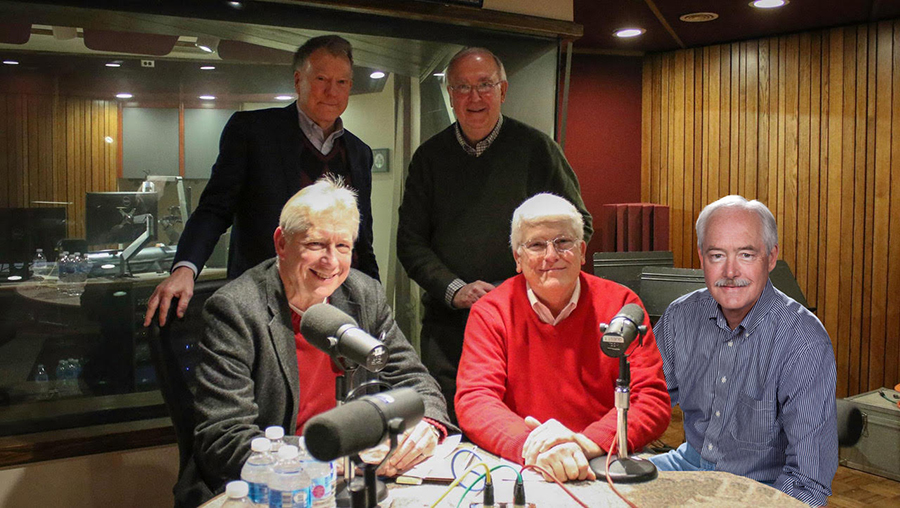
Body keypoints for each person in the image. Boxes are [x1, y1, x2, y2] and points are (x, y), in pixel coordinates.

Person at [185, 176, 452, 504]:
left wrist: (425, 425)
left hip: (354, 479)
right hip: (273, 485)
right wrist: (330, 452)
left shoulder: (363, 294)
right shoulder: (236, 309)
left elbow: (416, 382)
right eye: (315, 245)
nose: (332, 262)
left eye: (342, 247)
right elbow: (225, 436)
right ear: (281, 243)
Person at [397, 47, 592, 423]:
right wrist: (456, 289)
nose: (474, 97)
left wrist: (513, 288)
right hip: (449, 330)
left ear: (503, 90)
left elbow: (578, 225)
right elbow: (410, 243)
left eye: (484, 85)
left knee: (518, 427)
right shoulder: (429, 158)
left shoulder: (537, 150)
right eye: (463, 87)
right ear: (450, 95)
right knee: (450, 427)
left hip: (524, 324)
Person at [144, 35, 378, 328]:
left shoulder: (359, 153)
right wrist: (185, 269)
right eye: (321, 78)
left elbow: (362, 237)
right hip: (265, 305)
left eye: (341, 82)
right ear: (298, 81)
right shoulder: (252, 132)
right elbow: (215, 209)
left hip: (341, 307)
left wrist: (374, 297)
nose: (331, 91)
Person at [455, 194, 670, 482]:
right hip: (527, 466)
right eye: (536, 245)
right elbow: (476, 400)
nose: (551, 255)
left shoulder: (621, 304)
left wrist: (585, 443)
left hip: (601, 463)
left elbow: (651, 399)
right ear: (518, 258)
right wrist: (534, 447)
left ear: (582, 251)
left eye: (563, 242)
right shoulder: (491, 312)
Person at [649, 195, 837, 505]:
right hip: (686, 465)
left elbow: (808, 483)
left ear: (771, 257)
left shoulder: (804, 343)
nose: (731, 271)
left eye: (746, 255)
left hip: (759, 486)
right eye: (717, 255)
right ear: (701, 257)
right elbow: (646, 398)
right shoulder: (680, 315)